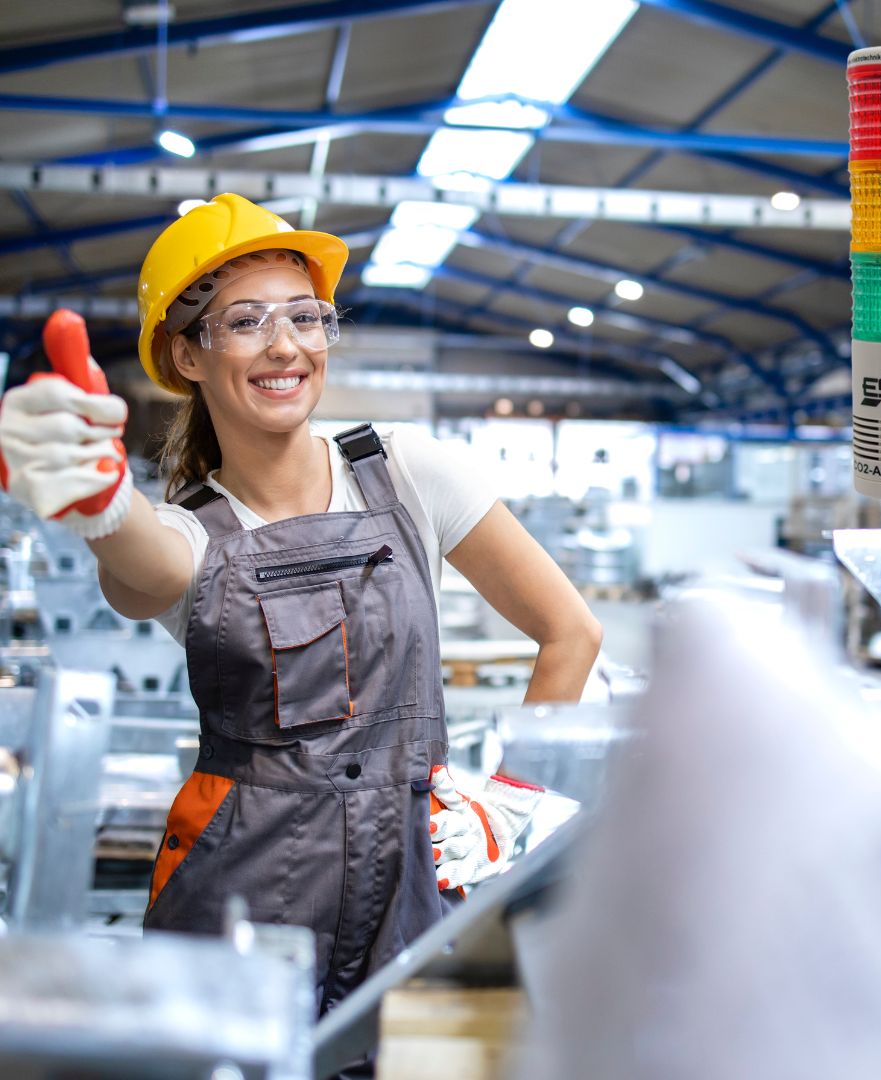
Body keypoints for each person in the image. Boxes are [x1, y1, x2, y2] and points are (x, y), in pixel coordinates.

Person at [0, 193, 602, 1018]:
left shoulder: (408, 471)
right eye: (245, 321)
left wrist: (513, 803)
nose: (285, 346)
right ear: (187, 354)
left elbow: (570, 630)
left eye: (307, 317)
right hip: (241, 896)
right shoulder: (189, 532)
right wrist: (103, 505)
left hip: (413, 884)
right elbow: (140, 561)